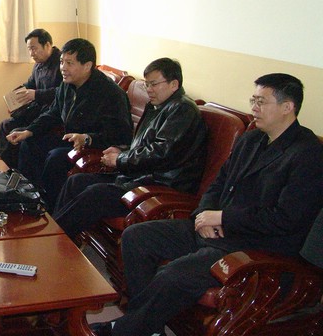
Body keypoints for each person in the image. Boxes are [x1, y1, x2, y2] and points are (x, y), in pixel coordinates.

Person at [90, 73, 323, 336]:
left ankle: (125, 330)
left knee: (174, 275)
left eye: (261, 102)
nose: (254, 108)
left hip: (254, 246)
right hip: (216, 229)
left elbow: (285, 219)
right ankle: (148, 327)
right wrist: (204, 214)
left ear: (287, 107)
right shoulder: (252, 139)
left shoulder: (307, 154)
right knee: (137, 237)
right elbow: (218, 183)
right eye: (253, 100)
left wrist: (222, 218)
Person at [53, 58, 207, 240]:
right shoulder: (158, 106)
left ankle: (56, 240)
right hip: (138, 175)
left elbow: (161, 153)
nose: (149, 89)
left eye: (154, 84)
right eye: (146, 84)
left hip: (159, 185)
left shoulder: (182, 110)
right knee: (76, 181)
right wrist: (120, 151)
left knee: (95, 194)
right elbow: (142, 145)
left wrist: (120, 159)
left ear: (174, 84)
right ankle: (55, 235)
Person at [7, 38, 132, 210]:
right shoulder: (67, 85)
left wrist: (87, 138)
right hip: (70, 139)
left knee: (56, 157)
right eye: (61, 62)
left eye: (69, 63)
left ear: (87, 66)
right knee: (29, 142)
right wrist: (29, 131)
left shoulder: (110, 94)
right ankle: (27, 194)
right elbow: (53, 113)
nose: (63, 68)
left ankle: (49, 207)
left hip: (94, 146)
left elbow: (121, 135)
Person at [0, 29, 62, 167]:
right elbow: (30, 84)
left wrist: (36, 94)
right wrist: (14, 97)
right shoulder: (38, 64)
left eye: (34, 48)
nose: (31, 53)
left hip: (50, 115)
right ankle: (2, 167)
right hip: (36, 110)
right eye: (29, 49)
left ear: (47, 45)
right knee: (5, 125)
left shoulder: (61, 64)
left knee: (15, 132)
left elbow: (62, 92)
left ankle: (14, 171)